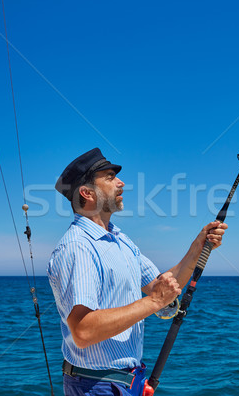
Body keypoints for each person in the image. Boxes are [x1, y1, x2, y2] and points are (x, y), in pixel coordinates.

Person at [48, 148, 227, 396]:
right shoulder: (78, 247)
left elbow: (162, 287)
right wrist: (153, 302)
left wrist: (198, 247)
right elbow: (83, 331)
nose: (121, 182)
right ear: (86, 193)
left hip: (128, 382)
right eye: (110, 177)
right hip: (95, 386)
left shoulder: (121, 240)